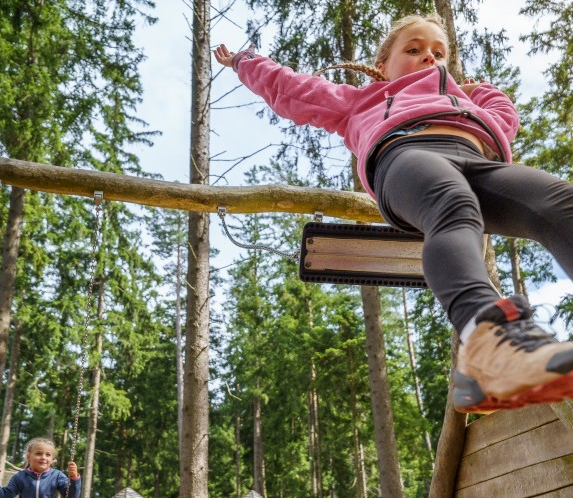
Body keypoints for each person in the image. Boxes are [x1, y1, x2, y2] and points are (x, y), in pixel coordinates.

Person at [215, 14, 573, 413]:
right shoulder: (361, 100)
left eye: (439, 53)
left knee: (558, 203)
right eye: (414, 49)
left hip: (478, 161)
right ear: (383, 66)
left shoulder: (462, 101)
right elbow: (293, 89)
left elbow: (504, 121)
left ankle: (497, 358)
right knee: (452, 205)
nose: (429, 58)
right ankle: (489, 341)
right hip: (406, 157)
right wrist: (244, 62)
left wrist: (481, 91)